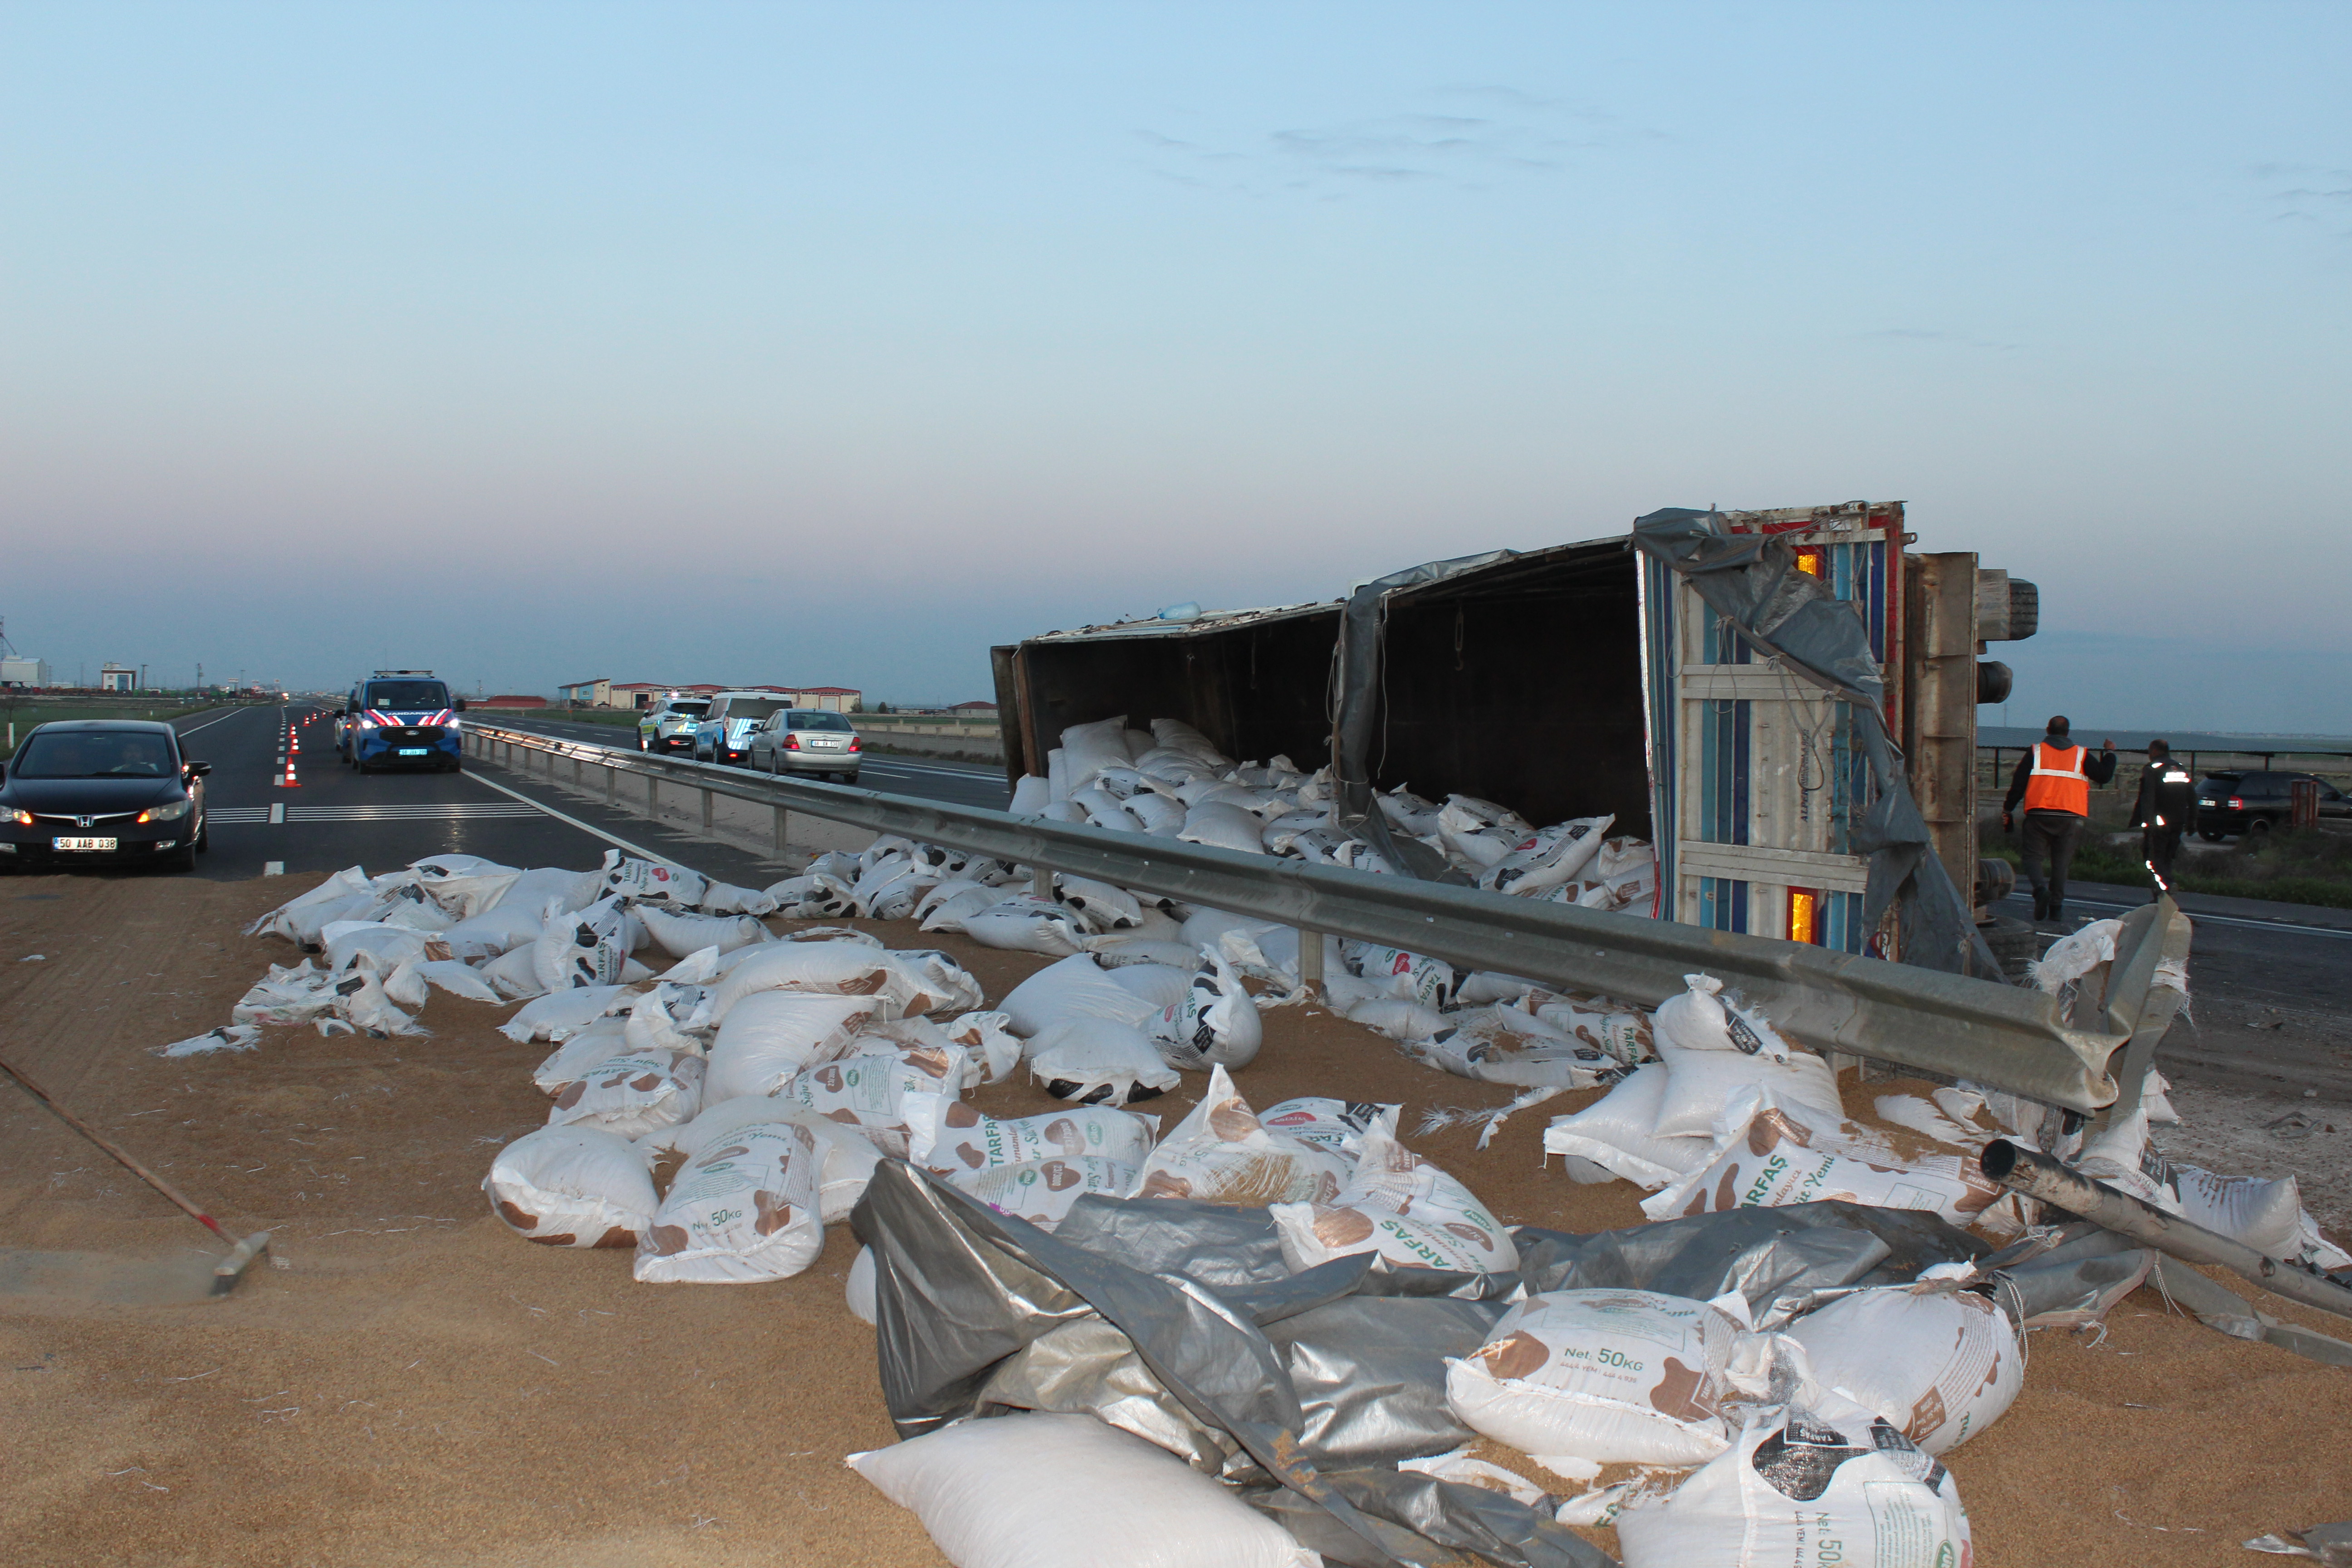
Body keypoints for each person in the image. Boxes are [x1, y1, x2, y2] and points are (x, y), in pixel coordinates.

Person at [2001, 715, 2117, 924]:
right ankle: (2056, 909)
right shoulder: (2080, 755)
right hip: (2068, 815)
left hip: (2038, 814)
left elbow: (2018, 784)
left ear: (2048, 730)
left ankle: (2040, 890)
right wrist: (2109, 753)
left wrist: (2008, 810)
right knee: (2060, 864)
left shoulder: (2036, 752)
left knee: (2032, 858)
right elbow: (2104, 776)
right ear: (2068, 732)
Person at [2129, 739, 2198, 899]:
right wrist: (2192, 821)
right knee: (2167, 858)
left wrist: (2147, 822)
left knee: (2153, 859)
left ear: (2154, 751)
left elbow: (2148, 797)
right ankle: (2163, 896)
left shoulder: (2153, 769)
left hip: (2159, 823)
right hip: (2178, 821)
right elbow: (2192, 797)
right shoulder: (2179, 768)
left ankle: (2166, 886)